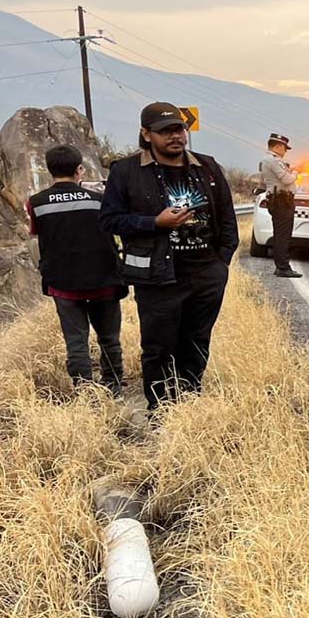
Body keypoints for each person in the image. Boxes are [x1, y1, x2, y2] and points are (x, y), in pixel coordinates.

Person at [99, 102, 239, 412]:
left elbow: (227, 218)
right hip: (157, 276)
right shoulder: (126, 171)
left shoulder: (207, 167)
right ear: (146, 134)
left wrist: (221, 263)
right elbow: (109, 220)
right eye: (165, 131)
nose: (175, 136)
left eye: (179, 129)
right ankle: (160, 411)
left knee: (196, 342)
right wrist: (154, 223)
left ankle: (188, 409)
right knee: (158, 348)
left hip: (206, 274)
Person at [27, 144, 127, 393]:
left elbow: (35, 236)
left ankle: (85, 391)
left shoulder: (36, 203)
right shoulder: (99, 200)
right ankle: (114, 386)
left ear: (49, 170)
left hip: (63, 284)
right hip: (105, 281)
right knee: (110, 339)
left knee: (76, 343)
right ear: (79, 169)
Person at [259, 132, 302, 278]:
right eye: (285, 148)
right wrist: (296, 172)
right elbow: (286, 179)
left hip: (280, 200)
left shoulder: (272, 160)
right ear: (278, 146)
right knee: (283, 236)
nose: (285, 152)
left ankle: (281, 266)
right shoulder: (273, 160)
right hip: (281, 200)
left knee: (281, 235)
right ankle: (283, 267)